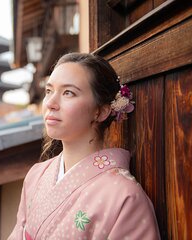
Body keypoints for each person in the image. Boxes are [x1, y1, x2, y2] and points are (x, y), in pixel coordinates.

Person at [8, 53, 160, 239]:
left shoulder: (124, 197)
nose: (50, 103)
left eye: (68, 93)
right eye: (49, 91)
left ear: (101, 111)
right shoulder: (36, 175)